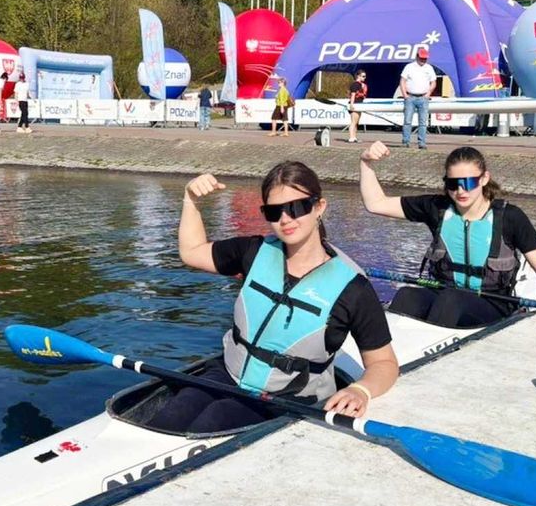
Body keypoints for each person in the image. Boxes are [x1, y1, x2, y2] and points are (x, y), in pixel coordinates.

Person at [147, 161, 399, 434]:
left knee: (217, 417)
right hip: (229, 374)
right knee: (175, 411)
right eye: (274, 211)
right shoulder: (253, 251)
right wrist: (191, 200)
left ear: (319, 207)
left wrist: (360, 390)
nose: (285, 219)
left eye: (297, 207)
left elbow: (384, 364)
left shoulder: (353, 289)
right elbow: (192, 251)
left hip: (287, 398)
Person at [359, 141, 536, 328]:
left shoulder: (510, 217)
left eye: (468, 183)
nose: (460, 191)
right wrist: (365, 163)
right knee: (407, 296)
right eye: (452, 184)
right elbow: (376, 204)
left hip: (492, 303)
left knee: (452, 300)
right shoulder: (436, 208)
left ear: (484, 179)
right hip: (445, 295)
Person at [400, 47, 436, 149]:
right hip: (410, 97)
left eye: (425, 58)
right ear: (417, 56)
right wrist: (405, 95)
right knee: (407, 121)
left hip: (423, 97)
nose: (423, 60)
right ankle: (406, 141)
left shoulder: (429, 68)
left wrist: (428, 93)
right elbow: (402, 80)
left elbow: (433, 82)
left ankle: (422, 142)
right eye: (421, 58)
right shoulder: (409, 67)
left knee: (423, 122)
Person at [347, 69, 368, 143]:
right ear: (358, 76)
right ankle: (351, 137)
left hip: (359, 104)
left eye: (365, 76)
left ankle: (354, 137)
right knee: (353, 122)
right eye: (363, 76)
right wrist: (352, 105)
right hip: (355, 104)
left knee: (356, 122)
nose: (364, 78)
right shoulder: (355, 84)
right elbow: (353, 95)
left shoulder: (362, 85)